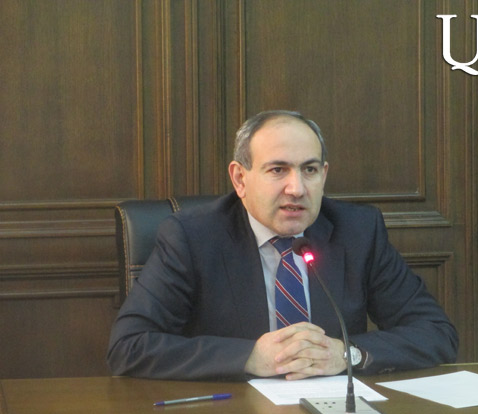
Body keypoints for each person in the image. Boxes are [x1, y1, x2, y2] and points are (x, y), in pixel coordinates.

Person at [107, 110, 458, 381]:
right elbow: (129, 346)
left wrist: (347, 354)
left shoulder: (357, 231)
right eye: (278, 170)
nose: (297, 188)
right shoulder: (193, 236)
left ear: (324, 175)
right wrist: (249, 357)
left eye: (310, 170)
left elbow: (435, 332)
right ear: (240, 179)